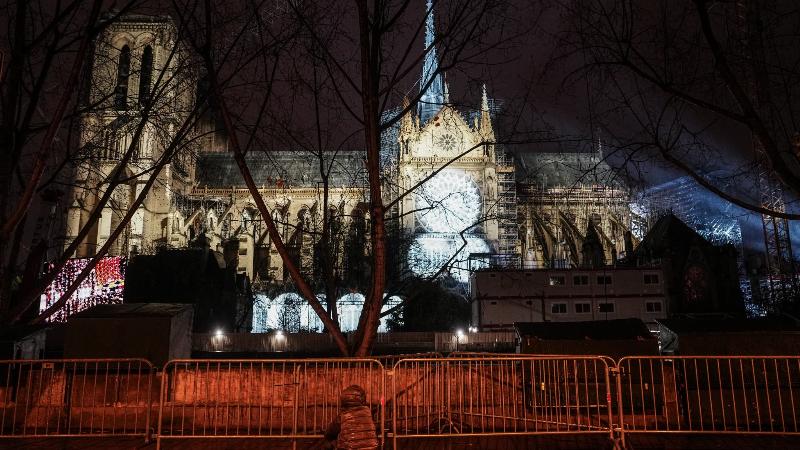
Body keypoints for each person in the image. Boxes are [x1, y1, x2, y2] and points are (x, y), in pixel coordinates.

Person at [316, 384, 379, 450]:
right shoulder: (368, 413)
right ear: (363, 399)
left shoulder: (343, 416)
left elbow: (330, 433)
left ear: (344, 399)